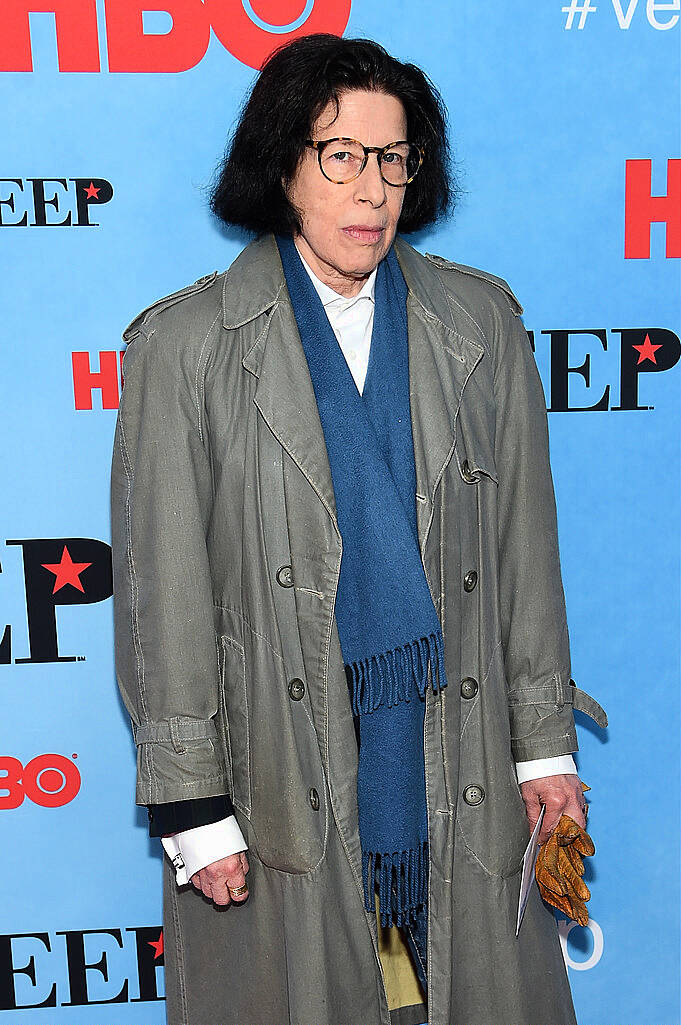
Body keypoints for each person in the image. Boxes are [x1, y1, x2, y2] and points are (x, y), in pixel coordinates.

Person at [110, 33, 607, 1025]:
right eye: (340, 154)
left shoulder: (481, 323)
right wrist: (191, 803)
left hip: (452, 757)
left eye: (393, 158)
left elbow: (523, 553)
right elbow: (165, 588)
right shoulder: (185, 345)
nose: (371, 189)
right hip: (280, 769)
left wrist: (543, 746)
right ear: (284, 162)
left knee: (454, 989)